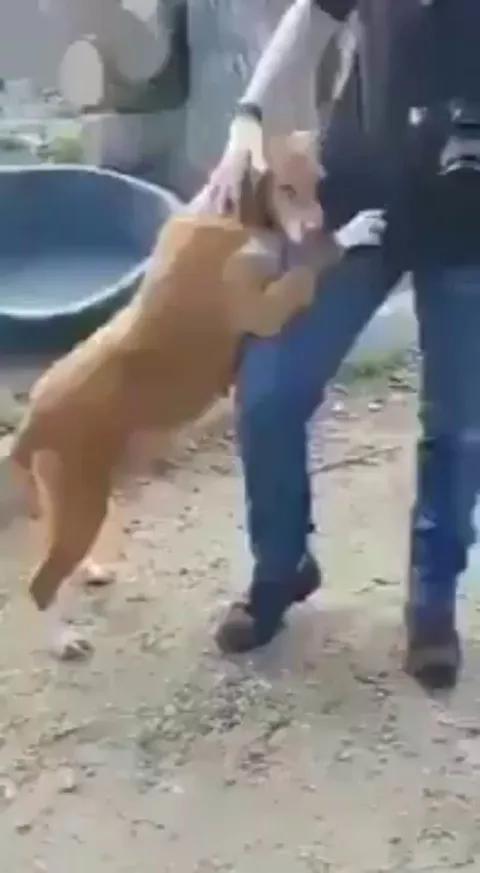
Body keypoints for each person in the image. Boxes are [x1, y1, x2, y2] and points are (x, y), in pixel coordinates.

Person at [207, 0, 480, 690]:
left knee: (459, 427)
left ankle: (432, 603)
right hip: (360, 209)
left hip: (470, 230)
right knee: (268, 391)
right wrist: (249, 114)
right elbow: (312, 17)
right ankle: (281, 565)